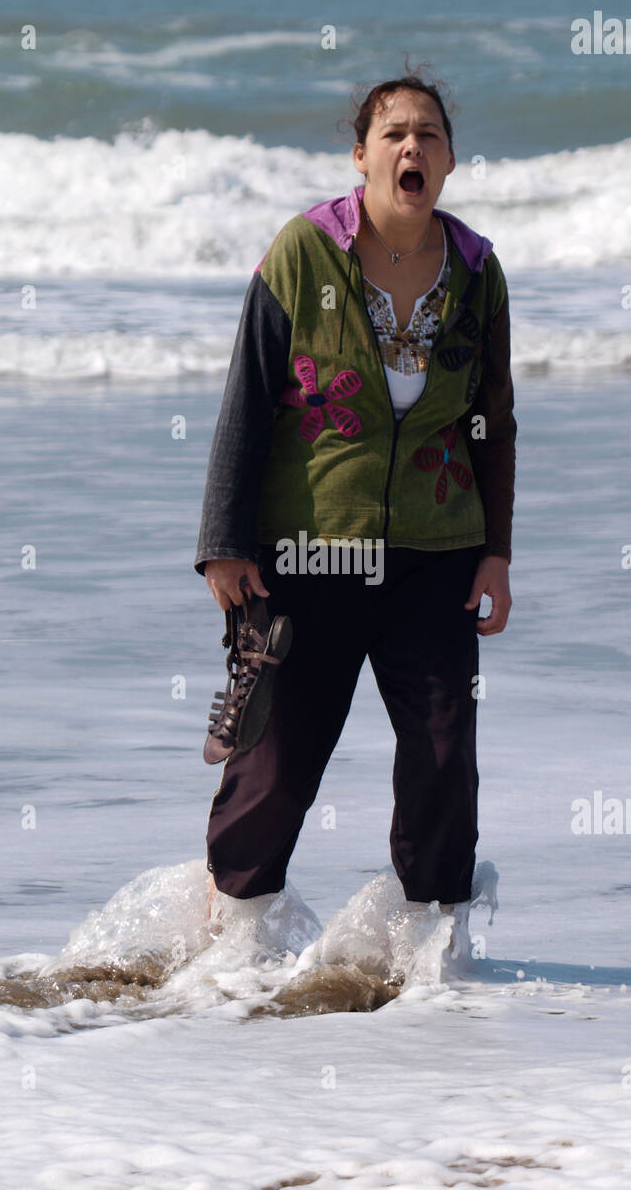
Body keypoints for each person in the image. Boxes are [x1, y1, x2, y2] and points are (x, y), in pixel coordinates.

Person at [193, 70, 516, 924]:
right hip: (309, 549)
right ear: (361, 155)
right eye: (395, 133)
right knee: (274, 765)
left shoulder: (477, 272)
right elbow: (248, 395)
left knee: (445, 758)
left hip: (435, 550)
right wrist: (224, 540)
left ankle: (432, 950)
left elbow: (492, 421)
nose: (413, 146)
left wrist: (496, 551)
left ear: (448, 160)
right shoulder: (303, 252)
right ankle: (233, 948)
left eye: (430, 135)